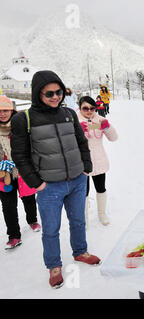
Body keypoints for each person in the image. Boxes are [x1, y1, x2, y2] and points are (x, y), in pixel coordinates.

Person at [10, 70, 101, 289]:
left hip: (77, 180)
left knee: (78, 221)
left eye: (58, 91)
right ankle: (54, 265)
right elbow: (19, 155)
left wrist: (86, 167)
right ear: (37, 94)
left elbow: (81, 143)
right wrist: (36, 183)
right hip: (49, 186)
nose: (55, 97)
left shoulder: (69, 113)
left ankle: (80, 251)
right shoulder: (24, 119)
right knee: (51, 229)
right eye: (49, 93)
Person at [0, 96, 40, 250]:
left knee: (29, 198)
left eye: (5, 110)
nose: (2, 114)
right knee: (8, 206)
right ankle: (14, 235)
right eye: (0, 111)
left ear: (12, 110)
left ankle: (32, 220)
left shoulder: (20, 126)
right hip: (4, 175)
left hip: (23, 170)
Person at [77, 96, 118, 227]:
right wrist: (77, 131)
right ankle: (84, 218)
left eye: (92, 108)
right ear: (80, 108)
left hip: (99, 160)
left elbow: (114, 138)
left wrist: (108, 127)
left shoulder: (100, 120)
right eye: (85, 108)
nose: (89, 111)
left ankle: (102, 214)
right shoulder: (74, 121)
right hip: (82, 162)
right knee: (84, 192)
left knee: (101, 188)